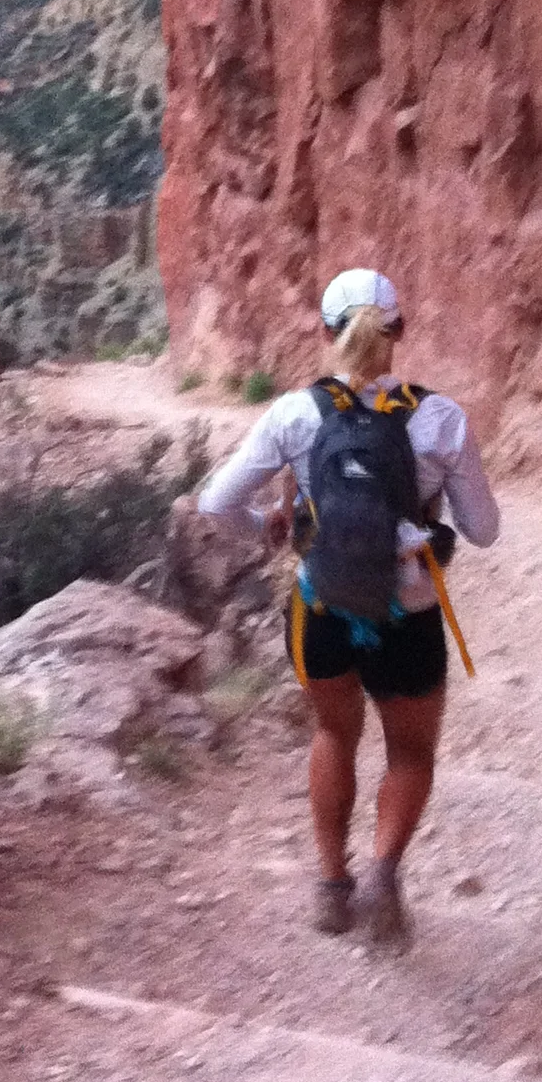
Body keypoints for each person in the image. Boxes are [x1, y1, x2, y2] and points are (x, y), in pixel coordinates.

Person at [195, 269, 499, 946]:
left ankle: (332, 889)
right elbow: (483, 531)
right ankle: (383, 876)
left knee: (334, 734)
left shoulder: (296, 415)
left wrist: (270, 524)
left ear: (326, 333)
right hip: (411, 612)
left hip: (323, 606)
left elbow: (215, 502)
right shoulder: (441, 419)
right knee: (410, 751)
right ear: (400, 333)